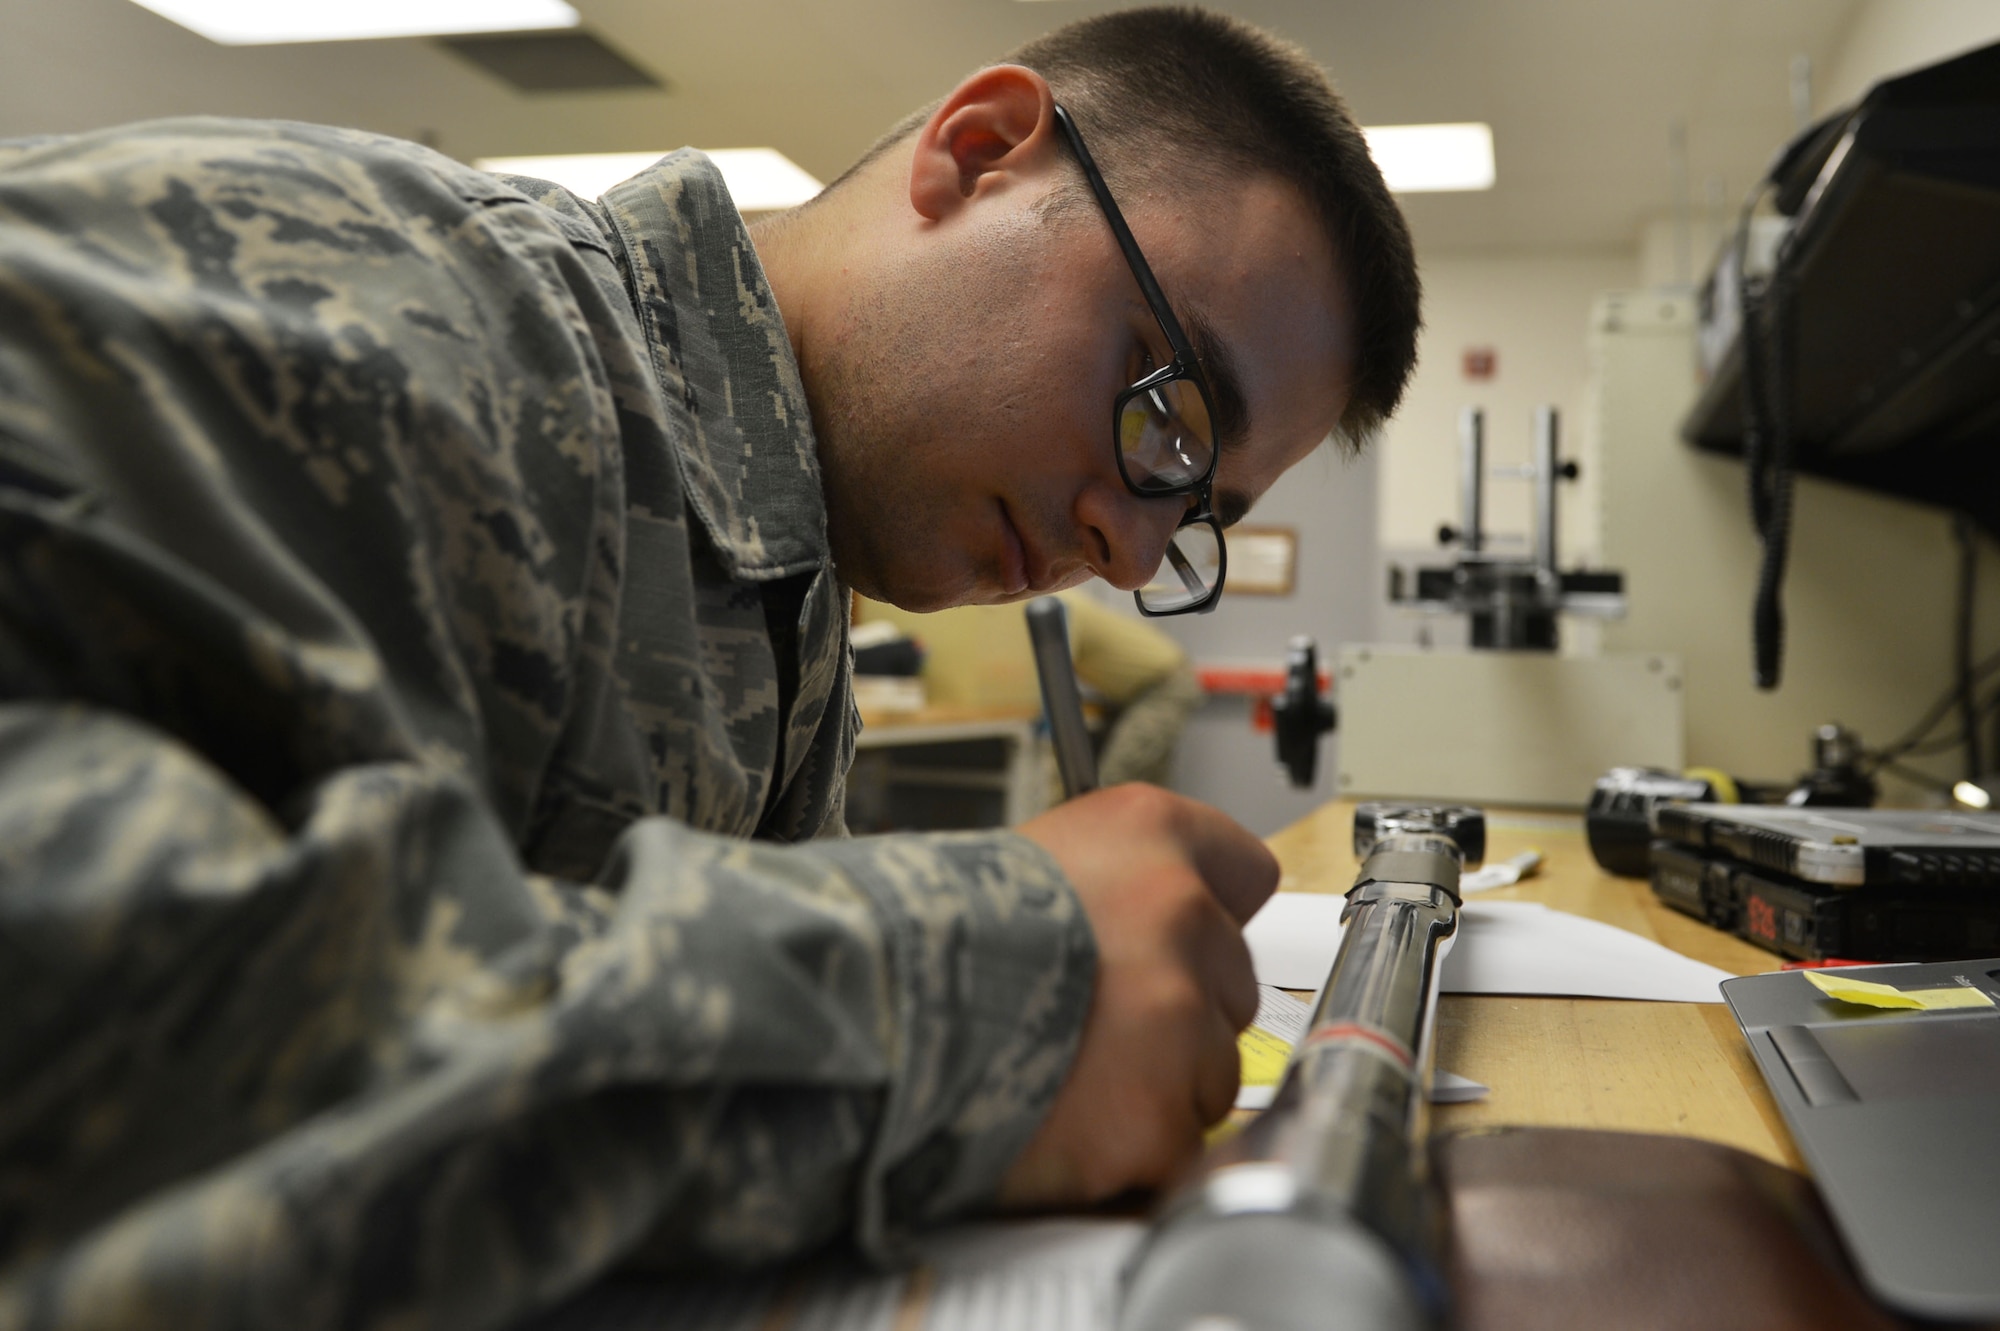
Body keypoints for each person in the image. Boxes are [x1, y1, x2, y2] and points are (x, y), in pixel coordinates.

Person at [0, 7, 1419, 1328]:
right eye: (1166, 410)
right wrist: (966, 995)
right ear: (977, 153)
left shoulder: (777, 583)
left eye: (1197, 510)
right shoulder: (388, 299)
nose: (1129, 543)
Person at [854, 589, 1202, 798]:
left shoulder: (1057, 606)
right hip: (1126, 687)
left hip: (1165, 684)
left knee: (1111, 790)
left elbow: (1055, 677)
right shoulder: (1037, 601)